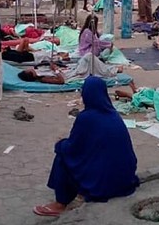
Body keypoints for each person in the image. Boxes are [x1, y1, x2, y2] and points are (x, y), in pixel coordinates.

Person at [33, 77, 139, 217]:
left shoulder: (86, 117)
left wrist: (60, 144)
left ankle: (60, 204)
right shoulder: (114, 114)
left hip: (104, 184)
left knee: (62, 155)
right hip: (125, 179)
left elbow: (72, 149)